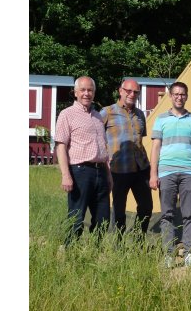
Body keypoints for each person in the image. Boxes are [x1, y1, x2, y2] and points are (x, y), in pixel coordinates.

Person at [149, 81, 191, 267]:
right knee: (167, 214)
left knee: (189, 214)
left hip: (189, 171)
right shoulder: (160, 119)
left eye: (182, 94)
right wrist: (153, 174)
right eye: (176, 94)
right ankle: (168, 254)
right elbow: (155, 148)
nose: (179, 97)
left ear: (187, 96)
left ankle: (189, 253)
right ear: (170, 96)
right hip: (166, 171)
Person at [55, 76, 112, 246]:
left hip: (100, 171)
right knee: (76, 217)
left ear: (94, 93)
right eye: (83, 90)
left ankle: (94, 252)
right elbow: (60, 146)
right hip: (80, 171)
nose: (87, 93)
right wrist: (66, 175)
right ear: (75, 92)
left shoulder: (97, 117)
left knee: (103, 218)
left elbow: (104, 148)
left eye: (90, 90)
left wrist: (109, 175)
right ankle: (70, 252)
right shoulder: (67, 114)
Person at [101, 78, 153, 240]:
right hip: (118, 169)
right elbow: (97, 137)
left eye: (136, 92)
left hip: (141, 168)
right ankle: (119, 242)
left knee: (146, 207)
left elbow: (140, 140)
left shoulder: (140, 115)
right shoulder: (107, 112)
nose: (132, 94)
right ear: (120, 91)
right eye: (129, 91)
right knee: (119, 209)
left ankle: (139, 240)